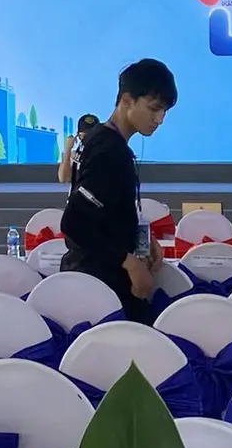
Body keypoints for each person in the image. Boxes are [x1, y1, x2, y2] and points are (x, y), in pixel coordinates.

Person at [63, 59, 178, 320]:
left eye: (164, 112)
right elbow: (74, 224)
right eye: (154, 109)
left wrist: (142, 239)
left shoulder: (97, 139)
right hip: (102, 288)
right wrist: (129, 262)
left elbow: (106, 210)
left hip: (93, 277)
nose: (159, 119)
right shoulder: (109, 151)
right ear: (126, 100)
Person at [58, 113, 102, 187]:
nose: (89, 138)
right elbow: (63, 178)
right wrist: (68, 149)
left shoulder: (104, 152)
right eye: (85, 135)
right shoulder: (73, 156)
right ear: (78, 135)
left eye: (92, 135)